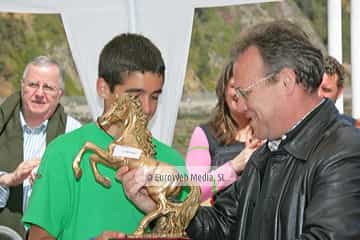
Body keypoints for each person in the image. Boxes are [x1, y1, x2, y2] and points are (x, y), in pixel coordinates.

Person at [121, 20, 360, 240]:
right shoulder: (264, 155)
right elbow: (221, 223)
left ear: (286, 82)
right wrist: (160, 207)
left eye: (246, 93)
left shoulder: (345, 153)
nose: (242, 105)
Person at [23, 33, 188, 240]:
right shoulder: (62, 153)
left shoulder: (172, 162)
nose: (147, 108)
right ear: (103, 88)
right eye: (135, 96)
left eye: (155, 96)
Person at [0, 56, 81, 238]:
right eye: (33, 85)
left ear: (59, 94)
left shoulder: (73, 132)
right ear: (22, 86)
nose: (39, 93)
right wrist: (7, 179)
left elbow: (81, 196)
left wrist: (52, 187)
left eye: (48, 88)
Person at [185, 61, 260, 202]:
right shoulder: (204, 134)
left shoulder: (268, 134)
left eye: (245, 87)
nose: (239, 92)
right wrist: (234, 166)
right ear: (223, 90)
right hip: (218, 221)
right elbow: (192, 191)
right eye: (233, 86)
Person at [318, 55, 357, 125]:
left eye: (326, 90)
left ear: (339, 92)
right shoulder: (293, 125)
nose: (319, 94)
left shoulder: (354, 129)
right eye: (315, 87)